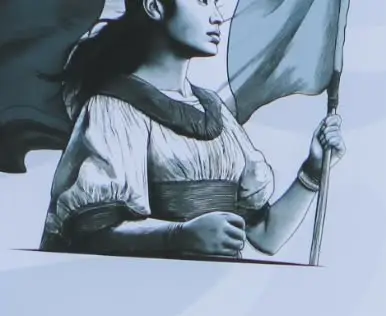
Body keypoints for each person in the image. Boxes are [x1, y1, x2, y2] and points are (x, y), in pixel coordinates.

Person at [40, 0, 343, 257]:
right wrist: (179, 236)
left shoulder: (216, 113)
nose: (217, 16)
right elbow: (91, 237)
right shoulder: (114, 108)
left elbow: (265, 236)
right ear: (154, 6)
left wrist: (313, 171)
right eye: (202, 1)